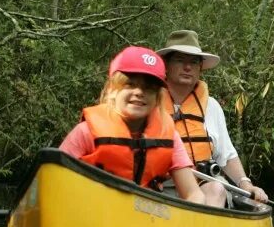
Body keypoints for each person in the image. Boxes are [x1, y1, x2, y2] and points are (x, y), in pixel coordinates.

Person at [59, 46, 206, 204]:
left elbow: (193, 194)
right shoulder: (86, 132)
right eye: (130, 84)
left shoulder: (169, 135)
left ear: (157, 98)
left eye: (149, 88)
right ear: (112, 90)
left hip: (144, 219)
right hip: (93, 214)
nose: (139, 92)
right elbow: (55, 181)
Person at [157, 30, 268, 207]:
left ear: (200, 68)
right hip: (161, 185)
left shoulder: (212, 106)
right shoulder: (149, 101)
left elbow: (227, 155)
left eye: (193, 62)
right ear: (166, 65)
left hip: (203, 184)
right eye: (180, 60)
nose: (187, 67)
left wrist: (246, 184)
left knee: (217, 188)